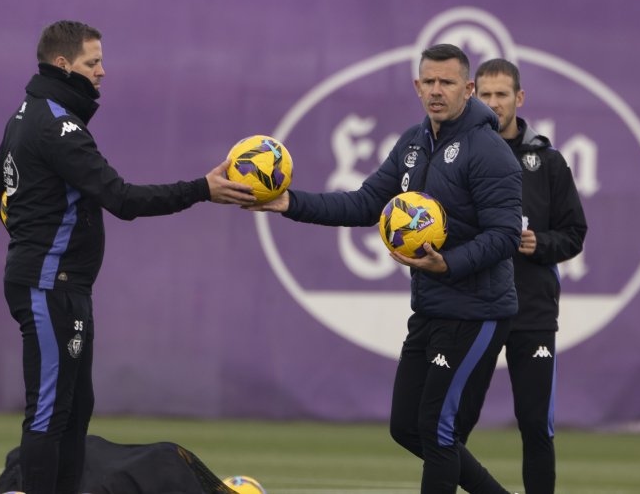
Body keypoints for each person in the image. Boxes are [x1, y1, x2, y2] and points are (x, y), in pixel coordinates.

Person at [0, 20, 258, 494]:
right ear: (63, 64)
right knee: (50, 411)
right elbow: (122, 199)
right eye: (94, 63)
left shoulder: (27, 113)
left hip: (62, 283)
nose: (103, 72)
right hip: (51, 284)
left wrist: (31, 237)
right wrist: (202, 189)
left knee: (74, 410)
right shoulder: (58, 127)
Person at [250, 43, 522, 494]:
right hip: (433, 306)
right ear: (417, 86)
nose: (437, 91)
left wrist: (447, 262)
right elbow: (364, 203)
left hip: (478, 312)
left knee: (438, 431)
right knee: (406, 428)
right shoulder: (413, 144)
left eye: (447, 82)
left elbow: (505, 235)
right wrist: (288, 203)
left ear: (468, 88)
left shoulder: (488, 150)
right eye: (429, 82)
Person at [474, 59, 587, 494]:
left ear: (519, 99)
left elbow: (575, 234)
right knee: (454, 422)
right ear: (473, 97)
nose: (494, 103)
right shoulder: (461, 155)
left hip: (532, 312)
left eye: (502, 94)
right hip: (476, 307)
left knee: (537, 426)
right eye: (485, 94)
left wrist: (539, 244)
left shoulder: (549, 161)